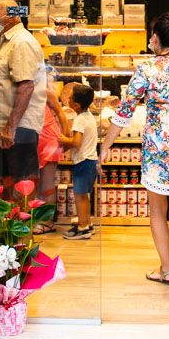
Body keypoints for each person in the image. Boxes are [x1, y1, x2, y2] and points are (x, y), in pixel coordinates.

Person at [99, 11, 169, 308]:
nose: (150, 39)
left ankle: (166, 270)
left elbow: (124, 112)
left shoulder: (148, 69)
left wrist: (106, 146)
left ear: (159, 39)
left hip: (158, 153)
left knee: (157, 213)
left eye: (152, 34)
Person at [0, 0, 46, 196]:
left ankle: (21, 218)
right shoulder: (4, 41)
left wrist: (10, 128)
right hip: (4, 127)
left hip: (18, 128)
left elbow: (26, 86)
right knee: (6, 185)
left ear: (13, 17)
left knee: (22, 188)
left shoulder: (22, 42)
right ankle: (8, 217)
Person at [35, 70, 76, 233]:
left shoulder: (45, 92)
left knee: (47, 183)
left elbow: (61, 114)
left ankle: (48, 222)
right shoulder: (29, 91)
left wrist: (65, 138)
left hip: (48, 139)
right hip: (38, 138)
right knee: (37, 184)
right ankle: (38, 219)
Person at [63, 82, 98, 240]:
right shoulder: (88, 115)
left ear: (76, 105)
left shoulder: (79, 120)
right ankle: (87, 223)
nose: (67, 99)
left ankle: (83, 228)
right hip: (91, 161)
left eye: (70, 98)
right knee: (85, 195)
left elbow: (76, 142)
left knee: (79, 196)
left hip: (83, 161)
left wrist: (62, 139)